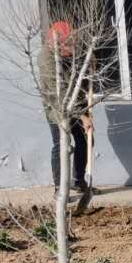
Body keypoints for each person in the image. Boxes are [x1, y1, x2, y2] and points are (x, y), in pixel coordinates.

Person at [39, 20, 92, 200]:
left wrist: (90, 64)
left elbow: (80, 73)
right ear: (58, 43)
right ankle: (59, 188)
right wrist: (82, 116)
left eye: (73, 45)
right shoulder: (46, 58)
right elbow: (59, 92)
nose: (72, 50)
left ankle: (78, 181)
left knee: (85, 139)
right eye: (68, 46)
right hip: (56, 106)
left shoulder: (71, 48)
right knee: (61, 144)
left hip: (76, 100)